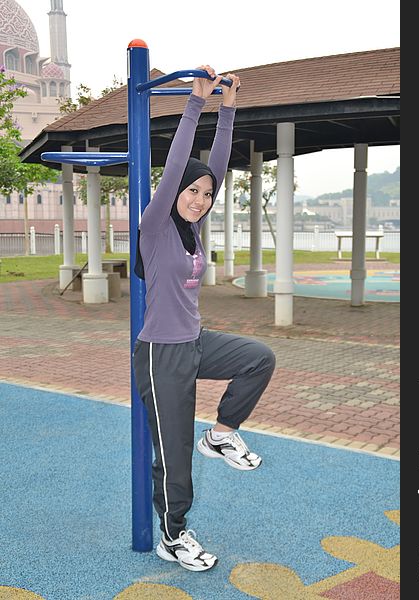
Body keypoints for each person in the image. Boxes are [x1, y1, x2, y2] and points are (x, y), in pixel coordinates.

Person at [132, 66, 276, 572]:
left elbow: (214, 165)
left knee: (259, 358)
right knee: (174, 460)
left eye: (206, 194)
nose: (199, 199)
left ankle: (221, 432)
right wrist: (196, 103)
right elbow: (179, 166)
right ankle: (173, 535)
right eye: (191, 192)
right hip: (161, 355)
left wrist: (229, 108)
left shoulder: (196, 226)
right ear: (173, 192)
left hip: (196, 341)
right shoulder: (155, 225)